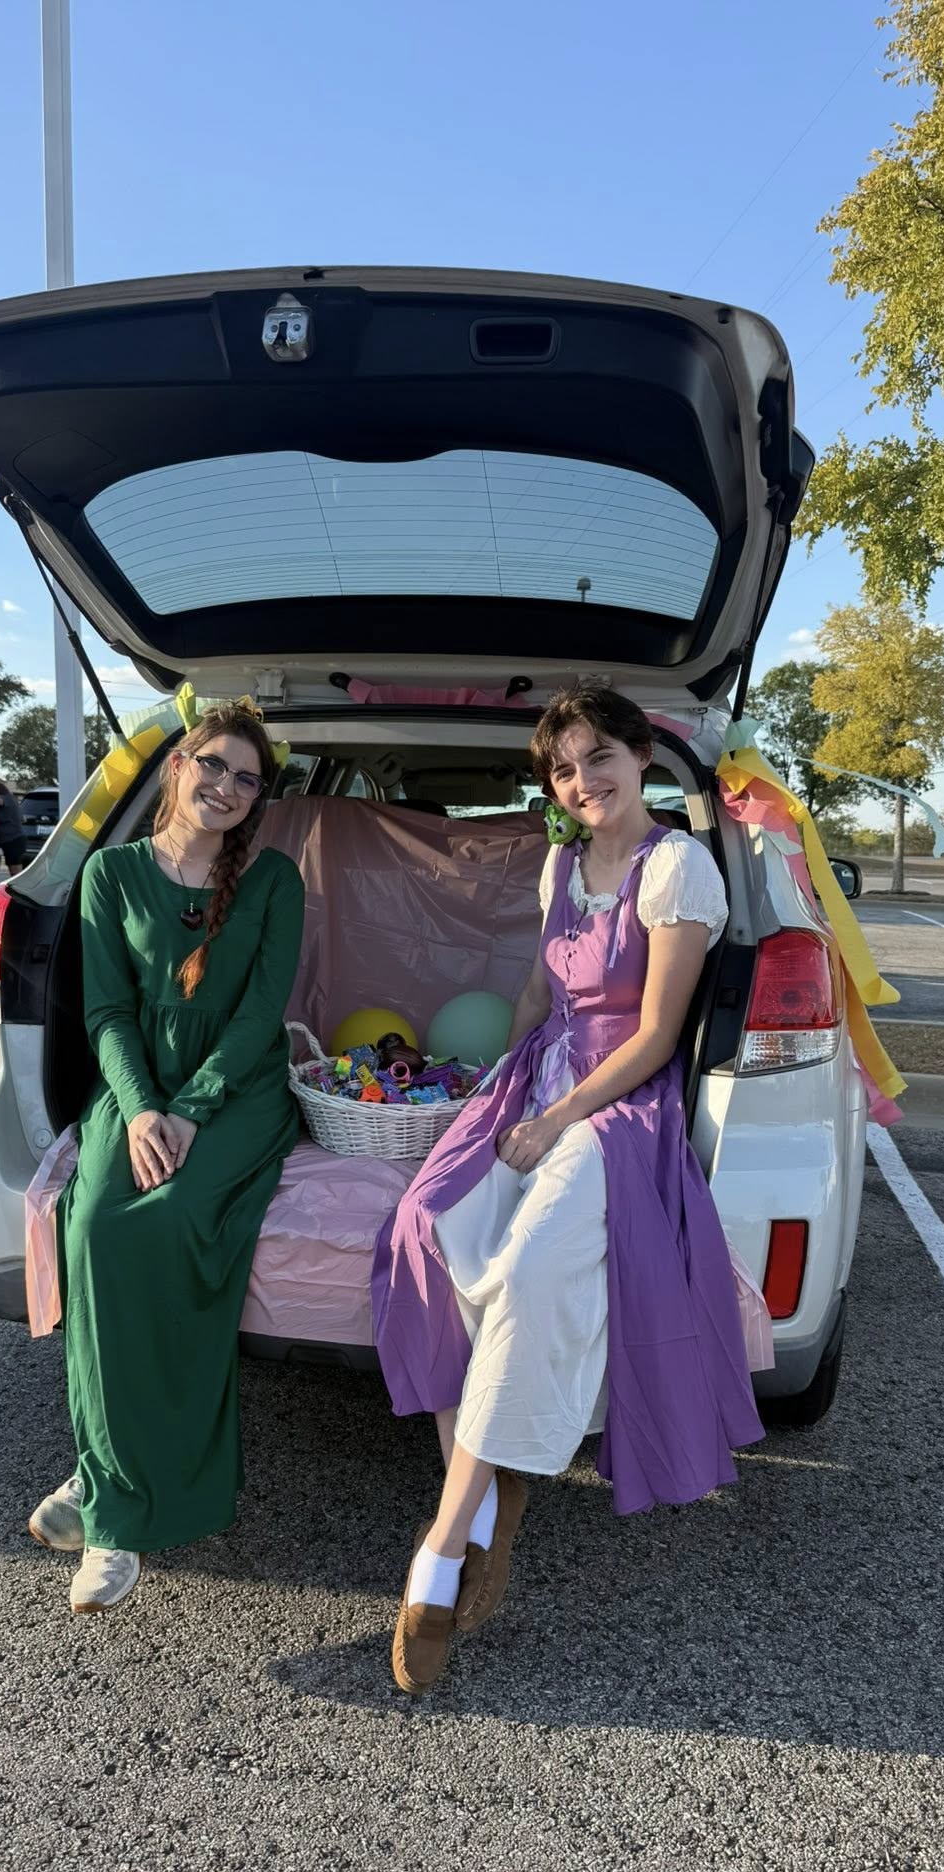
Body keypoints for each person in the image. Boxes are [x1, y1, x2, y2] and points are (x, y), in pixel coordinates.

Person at [372, 684, 763, 1694]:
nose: (583, 780)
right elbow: (540, 992)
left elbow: (656, 1037)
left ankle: (447, 1542)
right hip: (541, 1074)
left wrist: (555, 1120)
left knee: (531, 1267)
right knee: (424, 1220)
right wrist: (500, 1090)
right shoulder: (558, 861)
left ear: (640, 756)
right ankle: (496, 1500)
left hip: (618, 1104)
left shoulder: (676, 867)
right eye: (563, 767)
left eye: (600, 757)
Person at [27, 704, 305, 1614]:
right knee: (98, 1227)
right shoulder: (109, 874)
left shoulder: (273, 881)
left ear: (259, 795)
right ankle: (103, 1473)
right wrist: (143, 1109)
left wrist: (189, 1112)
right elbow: (106, 1013)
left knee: (180, 1222)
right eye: (213, 766)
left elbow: (262, 1017)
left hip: (238, 1090)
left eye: (246, 778)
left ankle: (114, 1517)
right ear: (177, 766)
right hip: (139, 1084)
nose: (226, 787)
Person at [0, 778, 29, 875]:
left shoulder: (7, 798)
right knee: (12, 869)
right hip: (7, 841)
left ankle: (18, 888)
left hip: (14, 839)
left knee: (16, 870)